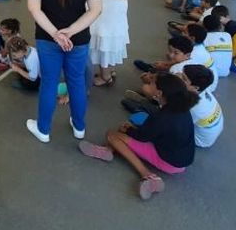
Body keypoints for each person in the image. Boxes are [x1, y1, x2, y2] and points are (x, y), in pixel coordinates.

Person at [26, 0, 102, 143]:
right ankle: (79, 127)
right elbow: (96, 10)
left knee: (49, 83)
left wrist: (56, 33)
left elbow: (34, 9)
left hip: (47, 39)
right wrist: (71, 31)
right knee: (76, 82)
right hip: (78, 40)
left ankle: (43, 130)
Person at [78, 72, 197, 200]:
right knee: (129, 126)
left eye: (151, 83)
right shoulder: (181, 108)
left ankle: (147, 175)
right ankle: (110, 149)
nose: (148, 84)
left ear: (159, 93)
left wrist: (128, 130)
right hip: (182, 158)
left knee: (112, 134)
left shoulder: (162, 117)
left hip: (169, 163)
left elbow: (142, 137)